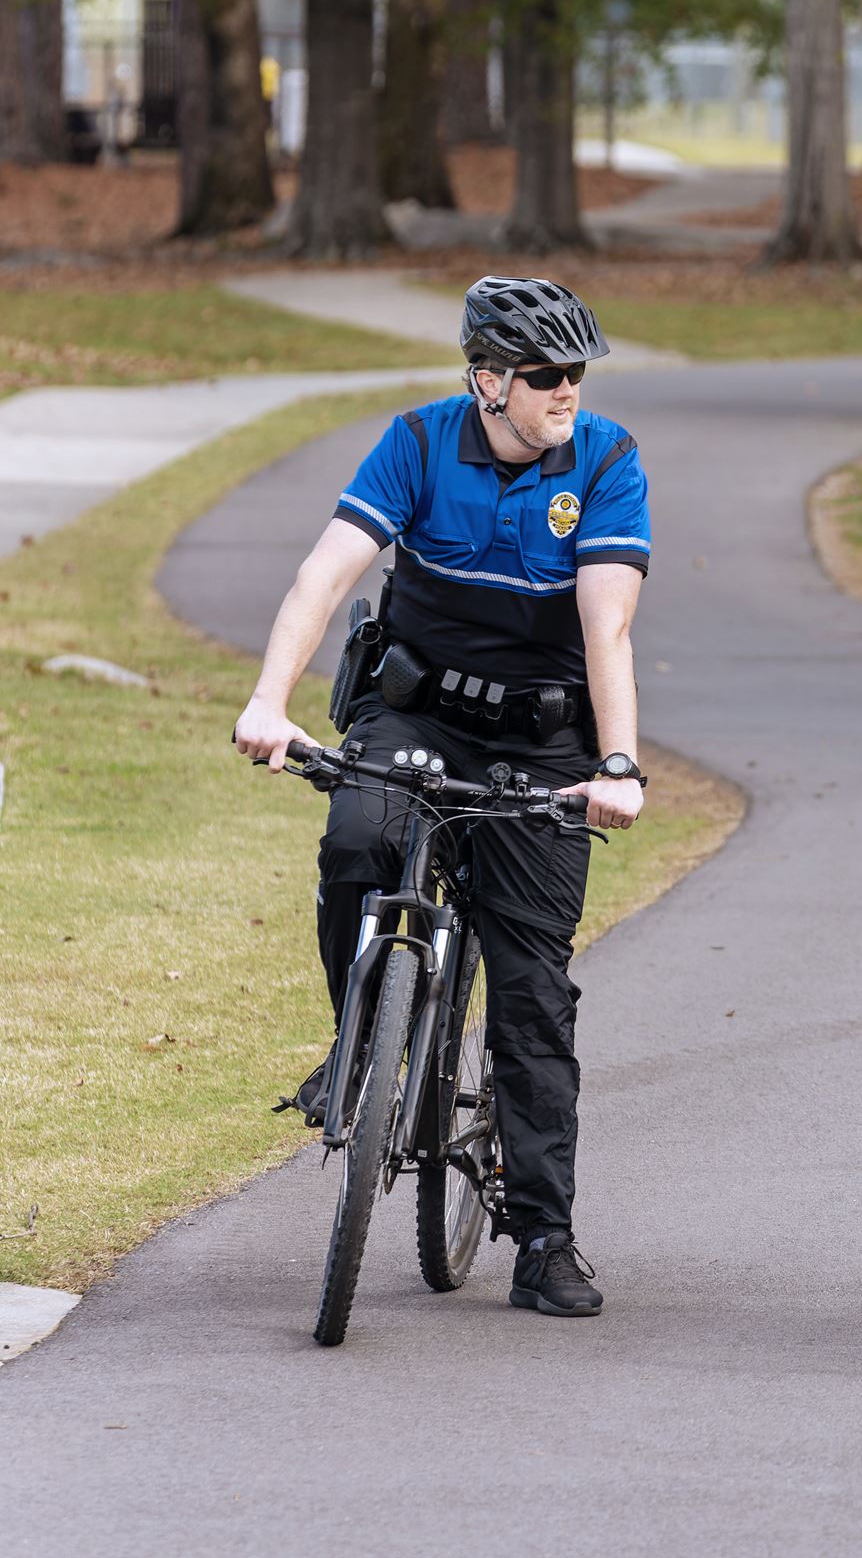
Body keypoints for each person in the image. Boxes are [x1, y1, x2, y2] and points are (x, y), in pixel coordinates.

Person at [233, 274, 651, 1322]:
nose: (569, 391)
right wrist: (269, 701)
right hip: (413, 713)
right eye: (549, 374)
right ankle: (357, 1038)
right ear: (489, 379)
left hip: (547, 741)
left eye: (577, 372)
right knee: (355, 841)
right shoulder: (418, 443)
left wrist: (618, 764)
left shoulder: (604, 460)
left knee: (531, 996)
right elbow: (325, 574)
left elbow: (607, 625)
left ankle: (543, 1236)